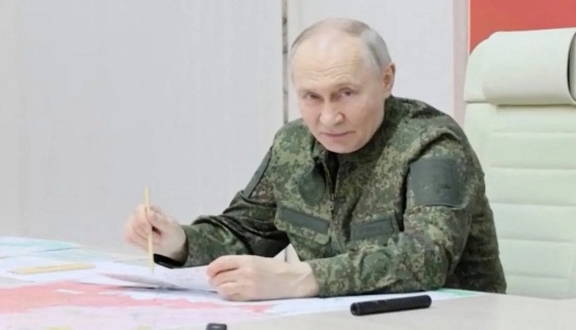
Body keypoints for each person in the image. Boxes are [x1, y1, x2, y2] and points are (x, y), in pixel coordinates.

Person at [125, 17, 507, 301]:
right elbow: (246, 233)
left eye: (345, 93)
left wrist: (301, 278)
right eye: (311, 97)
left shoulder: (431, 143)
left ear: (386, 79)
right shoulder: (292, 144)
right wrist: (180, 243)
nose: (328, 118)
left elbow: (427, 256)